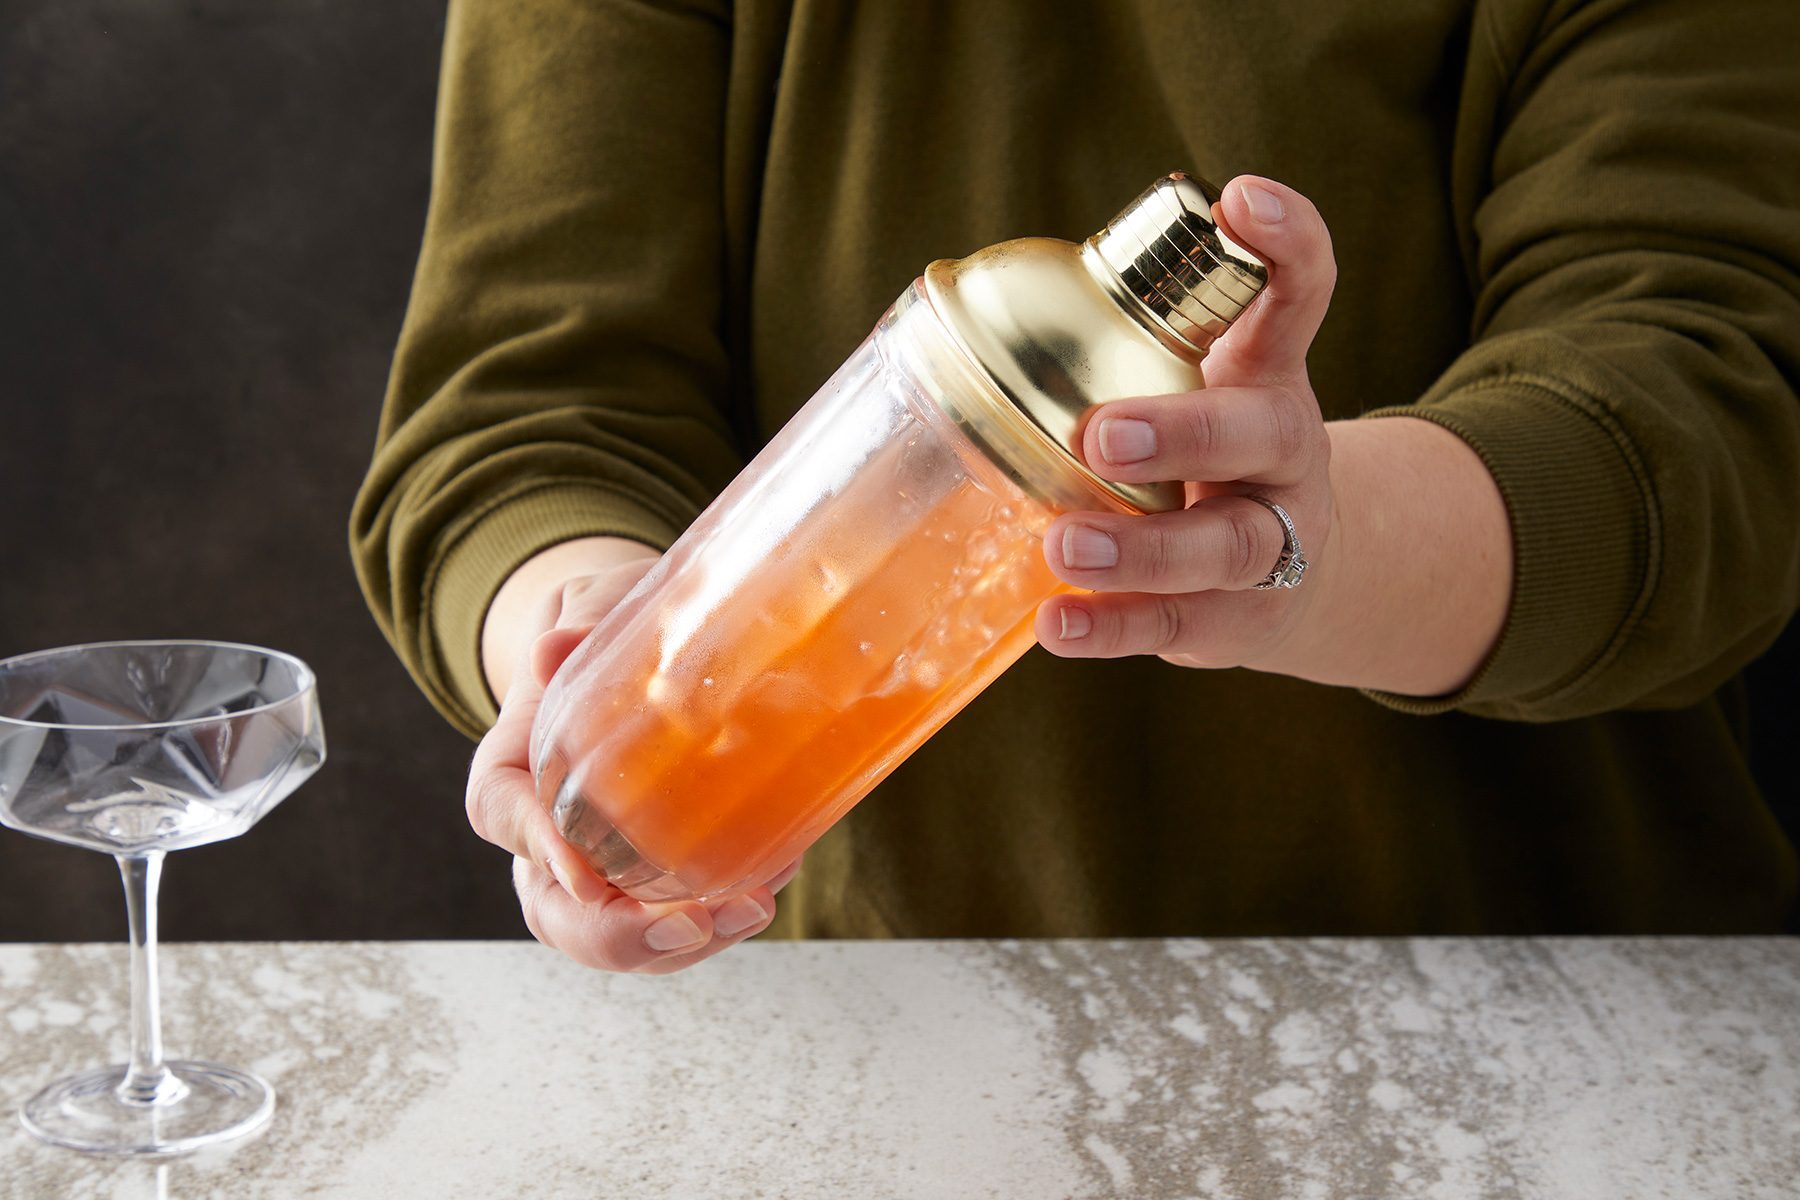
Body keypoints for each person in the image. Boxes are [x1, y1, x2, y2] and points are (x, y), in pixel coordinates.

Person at [352, 0, 1800, 973]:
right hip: (864, 1016)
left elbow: (1713, 424)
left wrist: (1315, 548)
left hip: (1529, 1016)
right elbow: (530, 406)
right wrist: (615, 652)